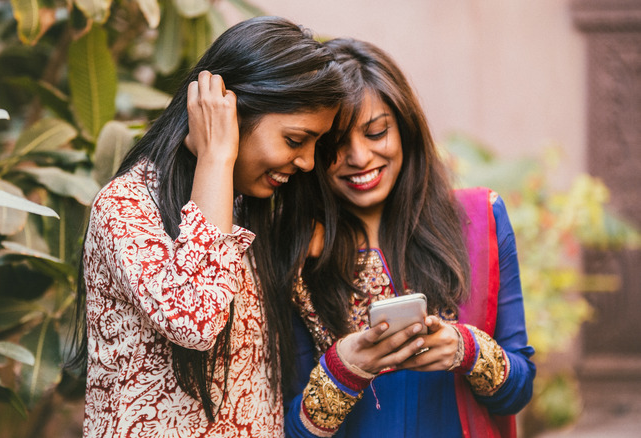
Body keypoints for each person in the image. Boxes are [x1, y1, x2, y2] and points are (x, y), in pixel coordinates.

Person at [71, 16, 346, 438]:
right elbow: (197, 319)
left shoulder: (250, 213)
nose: (307, 161)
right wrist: (216, 155)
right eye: (295, 140)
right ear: (228, 112)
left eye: (314, 145)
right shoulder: (125, 207)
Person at [283, 38, 536, 438]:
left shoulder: (479, 219)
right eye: (336, 144)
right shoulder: (299, 256)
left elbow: (519, 390)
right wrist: (343, 370)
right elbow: (291, 429)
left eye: (376, 132)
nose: (360, 157)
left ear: (404, 129)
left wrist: (465, 350)